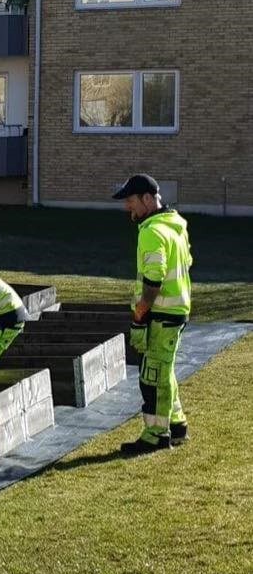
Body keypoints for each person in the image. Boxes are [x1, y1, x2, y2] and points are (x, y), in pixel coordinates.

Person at [112, 173, 192, 456]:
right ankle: (177, 424)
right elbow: (186, 263)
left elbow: (153, 283)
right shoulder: (175, 225)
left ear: (147, 198)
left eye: (131, 201)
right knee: (164, 370)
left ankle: (156, 435)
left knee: (152, 376)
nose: (127, 207)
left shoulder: (151, 231)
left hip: (162, 313)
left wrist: (138, 317)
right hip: (177, 310)